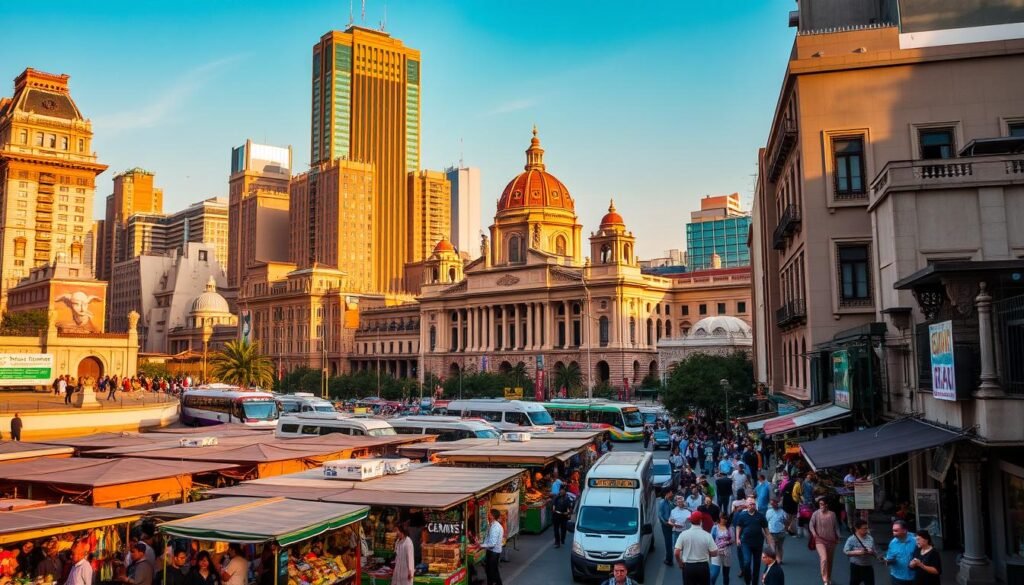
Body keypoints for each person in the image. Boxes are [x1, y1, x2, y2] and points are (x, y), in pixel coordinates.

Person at [733, 498, 773, 585]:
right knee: (747, 562)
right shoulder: (742, 515)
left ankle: (755, 583)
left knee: (757, 565)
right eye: (750, 504)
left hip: (758, 543)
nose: (752, 505)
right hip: (746, 543)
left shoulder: (760, 516)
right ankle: (748, 581)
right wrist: (737, 538)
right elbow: (738, 526)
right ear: (747, 505)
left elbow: (767, 532)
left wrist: (771, 545)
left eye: (754, 504)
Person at [675, 511, 719, 585]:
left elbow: (676, 553)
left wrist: (680, 563)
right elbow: (715, 553)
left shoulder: (683, 534)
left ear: (690, 521)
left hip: (688, 567)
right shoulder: (707, 535)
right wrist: (707, 553)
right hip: (703, 567)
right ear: (701, 521)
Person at [809, 497, 841, 585]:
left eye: (823, 504)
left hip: (831, 541)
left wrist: (838, 536)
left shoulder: (832, 514)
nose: (821, 506)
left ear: (827, 505)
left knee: (830, 561)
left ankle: (829, 577)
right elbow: (811, 524)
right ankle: (825, 580)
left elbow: (836, 527)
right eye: (820, 504)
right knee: (824, 559)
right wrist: (814, 533)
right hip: (820, 540)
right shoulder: (816, 514)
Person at [843, 519, 877, 585]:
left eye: (867, 528)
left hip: (868, 566)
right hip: (856, 567)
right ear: (857, 529)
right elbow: (845, 551)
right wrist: (858, 552)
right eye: (864, 529)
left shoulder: (870, 538)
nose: (866, 530)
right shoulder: (851, 539)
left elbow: (875, 552)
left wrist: (872, 552)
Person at [883, 520, 917, 585]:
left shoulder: (915, 541)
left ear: (904, 530)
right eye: (893, 530)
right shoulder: (892, 543)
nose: (893, 533)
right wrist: (887, 561)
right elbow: (889, 558)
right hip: (897, 578)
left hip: (914, 577)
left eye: (896, 531)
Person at [480, 508, 504, 585]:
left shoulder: (495, 527)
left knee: (492, 571)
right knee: (491, 570)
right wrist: (482, 544)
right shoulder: (492, 525)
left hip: (494, 552)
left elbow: (492, 544)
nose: (488, 515)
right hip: (492, 551)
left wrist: (481, 545)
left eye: (489, 514)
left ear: (493, 516)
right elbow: (488, 538)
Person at [710, 514, 733, 585]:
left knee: (726, 574)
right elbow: (711, 539)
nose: (724, 520)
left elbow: (733, 540)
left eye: (726, 519)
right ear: (719, 518)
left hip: (727, 553)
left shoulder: (730, 528)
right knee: (714, 574)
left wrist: (726, 542)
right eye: (723, 518)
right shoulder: (715, 528)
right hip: (717, 553)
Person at [765, 500, 789, 564]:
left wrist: (785, 527)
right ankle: (775, 560)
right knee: (773, 547)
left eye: (774, 503)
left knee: (780, 546)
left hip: (781, 532)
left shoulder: (783, 512)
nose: (773, 505)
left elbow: (786, 522)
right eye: (772, 504)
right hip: (772, 532)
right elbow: (766, 522)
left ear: (777, 503)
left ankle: (780, 560)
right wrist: (766, 533)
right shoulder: (768, 512)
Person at [658, 489, 676, 566]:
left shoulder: (670, 502)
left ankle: (669, 559)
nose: (672, 495)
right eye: (671, 493)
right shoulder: (662, 502)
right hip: (666, 524)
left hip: (671, 523)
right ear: (667, 493)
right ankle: (669, 559)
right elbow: (660, 514)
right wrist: (665, 522)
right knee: (668, 542)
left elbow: (674, 509)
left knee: (670, 541)